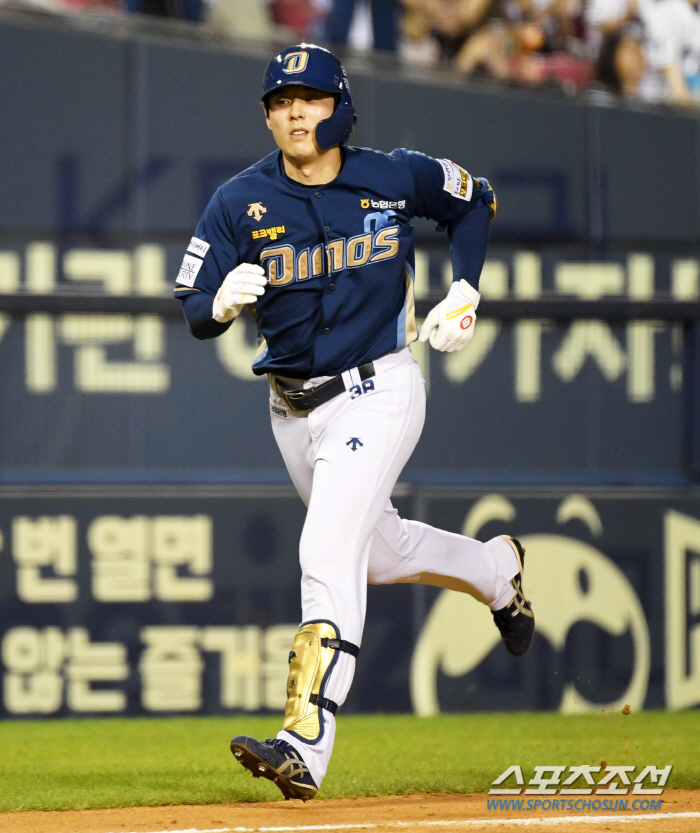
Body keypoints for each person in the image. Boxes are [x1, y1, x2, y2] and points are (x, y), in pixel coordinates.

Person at [174, 43, 535, 802]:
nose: (293, 112)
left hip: (381, 386)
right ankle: (497, 572)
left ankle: (307, 738)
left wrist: (465, 287)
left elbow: (477, 199)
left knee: (327, 546)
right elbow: (194, 304)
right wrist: (219, 303)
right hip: (291, 407)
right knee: (377, 551)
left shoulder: (392, 173)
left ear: (339, 105)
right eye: (279, 101)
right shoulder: (239, 201)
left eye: (307, 97)